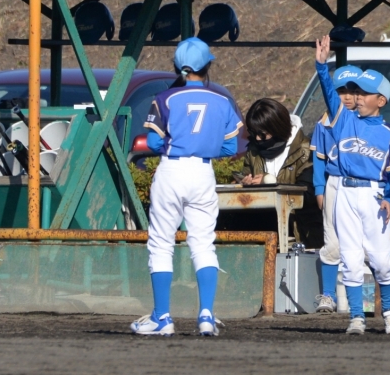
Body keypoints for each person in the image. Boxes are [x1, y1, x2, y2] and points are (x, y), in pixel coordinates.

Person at [131, 37, 242, 336]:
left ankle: (162, 318)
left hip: (171, 169)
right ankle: (206, 314)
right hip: (202, 172)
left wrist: (178, 144)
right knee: (203, 243)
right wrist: (202, 146)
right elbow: (230, 147)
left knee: (161, 243)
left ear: (177, 67)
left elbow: (152, 141)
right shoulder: (222, 101)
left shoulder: (164, 98)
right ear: (207, 67)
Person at [315, 35, 390, 335]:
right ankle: (357, 316)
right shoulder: (344, 120)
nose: (357, 97)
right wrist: (321, 66)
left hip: (373, 195)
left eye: (364, 93)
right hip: (345, 191)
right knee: (350, 259)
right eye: (356, 91)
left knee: (381, 261)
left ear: (381, 100)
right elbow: (329, 93)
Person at [310, 64, 363, 313]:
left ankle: (367, 299)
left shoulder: (367, 121)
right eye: (342, 91)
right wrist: (319, 189)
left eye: (354, 91)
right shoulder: (324, 123)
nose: (348, 97)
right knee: (332, 242)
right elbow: (319, 161)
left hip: (363, 184)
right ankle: (328, 295)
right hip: (335, 182)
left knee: (366, 243)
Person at [240, 98, 321, 245]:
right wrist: (245, 182)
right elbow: (245, 174)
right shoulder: (253, 149)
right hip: (261, 230)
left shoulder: (307, 150)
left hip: (299, 232)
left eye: (262, 134)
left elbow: (308, 194)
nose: (258, 138)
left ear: (277, 128)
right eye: (253, 133)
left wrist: (268, 182)